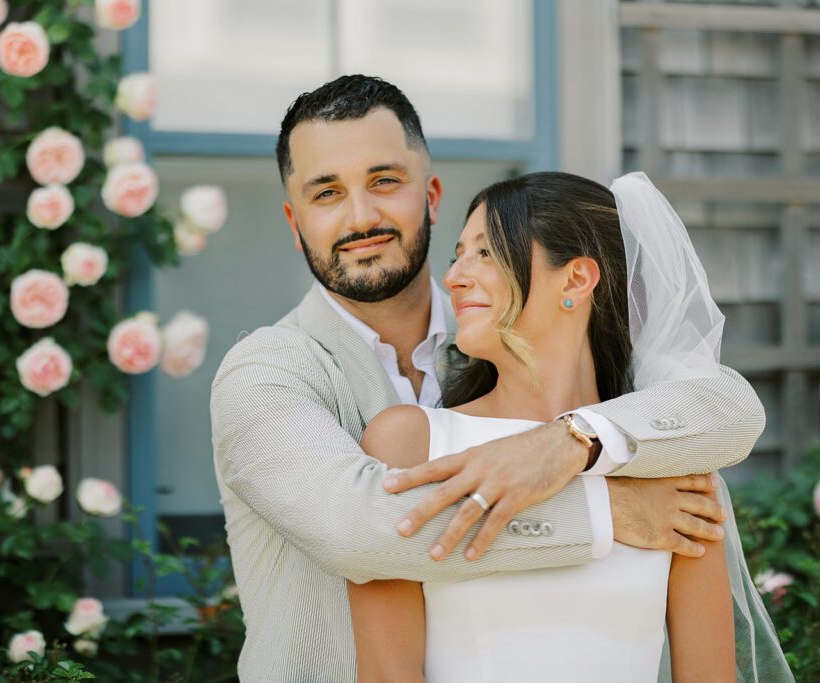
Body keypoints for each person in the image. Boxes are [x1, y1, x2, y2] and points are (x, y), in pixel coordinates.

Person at [209, 75, 767, 682]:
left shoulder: (509, 332)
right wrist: (609, 512)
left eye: (384, 181)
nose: (361, 215)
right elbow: (361, 530)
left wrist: (566, 443)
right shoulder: (265, 375)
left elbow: (728, 408)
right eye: (326, 194)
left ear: (431, 194)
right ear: (294, 223)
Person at [349, 171, 792, 682]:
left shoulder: (666, 462)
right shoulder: (411, 441)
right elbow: (386, 673)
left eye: (486, 252)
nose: (454, 276)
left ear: (577, 280)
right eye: (458, 255)